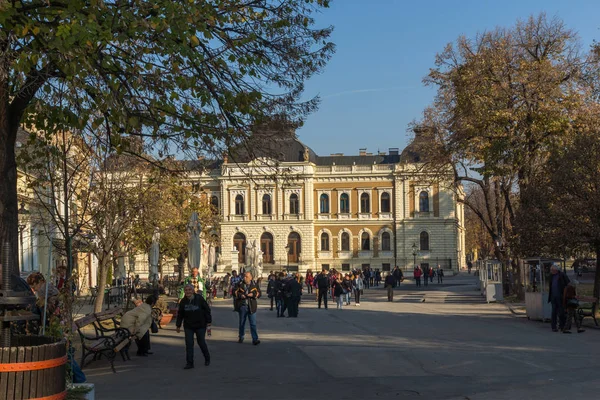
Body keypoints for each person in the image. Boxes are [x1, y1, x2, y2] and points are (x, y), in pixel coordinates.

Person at [176, 284, 212, 369]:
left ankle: (207, 358)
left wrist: (209, 321)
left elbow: (207, 310)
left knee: (201, 342)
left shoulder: (199, 299)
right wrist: (178, 325)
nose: (188, 291)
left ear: (193, 291)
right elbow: (180, 314)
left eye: (189, 290)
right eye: (186, 290)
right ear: (184, 292)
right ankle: (189, 363)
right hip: (188, 326)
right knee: (189, 344)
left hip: (200, 325)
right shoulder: (183, 302)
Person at [234, 272, 261, 345]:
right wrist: (240, 295)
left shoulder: (254, 285)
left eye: (246, 277)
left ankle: (255, 339)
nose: (245, 278)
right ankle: (241, 336)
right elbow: (234, 292)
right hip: (243, 306)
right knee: (242, 323)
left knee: (253, 324)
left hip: (252, 306)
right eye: (244, 276)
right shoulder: (239, 284)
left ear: (250, 278)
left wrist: (253, 294)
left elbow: (259, 293)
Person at [548, 264, 570, 332]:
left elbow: (568, 284)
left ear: (556, 270)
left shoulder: (562, 275)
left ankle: (562, 326)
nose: (551, 271)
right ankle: (554, 327)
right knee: (554, 312)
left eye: (552, 270)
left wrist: (565, 294)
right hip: (553, 297)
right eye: (551, 270)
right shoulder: (551, 276)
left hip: (560, 297)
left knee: (561, 312)